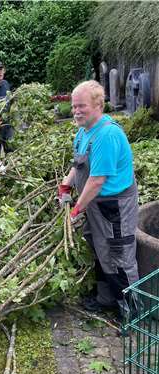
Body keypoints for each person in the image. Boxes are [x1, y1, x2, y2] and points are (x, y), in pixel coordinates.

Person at [58, 80, 139, 318]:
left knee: (119, 257)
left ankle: (131, 311)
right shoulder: (84, 132)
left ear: (98, 105)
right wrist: (66, 184)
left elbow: (96, 181)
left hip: (114, 207)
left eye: (81, 106)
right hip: (95, 204)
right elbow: (78, 165)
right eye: (74, 107)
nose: (76, 111)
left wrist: (76, 210)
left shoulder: (107, 135)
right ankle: (107, 299)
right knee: (100, 251)